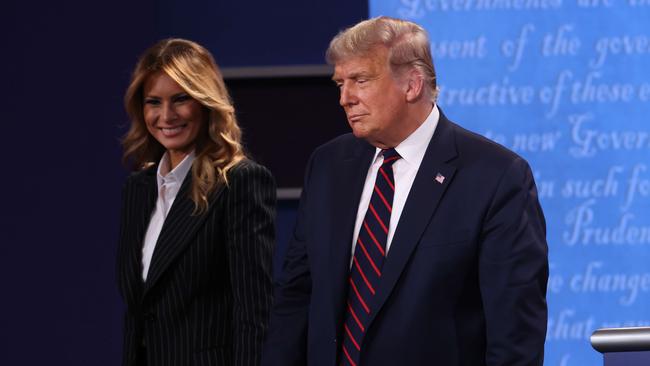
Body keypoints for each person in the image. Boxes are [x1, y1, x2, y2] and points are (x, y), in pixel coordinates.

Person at [261, 16, 548, 366]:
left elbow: (515, 334)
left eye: (360, 80)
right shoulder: (328, 165)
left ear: (412, 85)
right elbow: (296, 296)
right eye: (340, 84)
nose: (344, 99)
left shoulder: (496, 177)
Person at [117, 38, 275, 366]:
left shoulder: (240, 182)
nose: (166, 115)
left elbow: (253, 313)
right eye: (153, 102)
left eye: (180, 99)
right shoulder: (138, 188)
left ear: (205, 102)